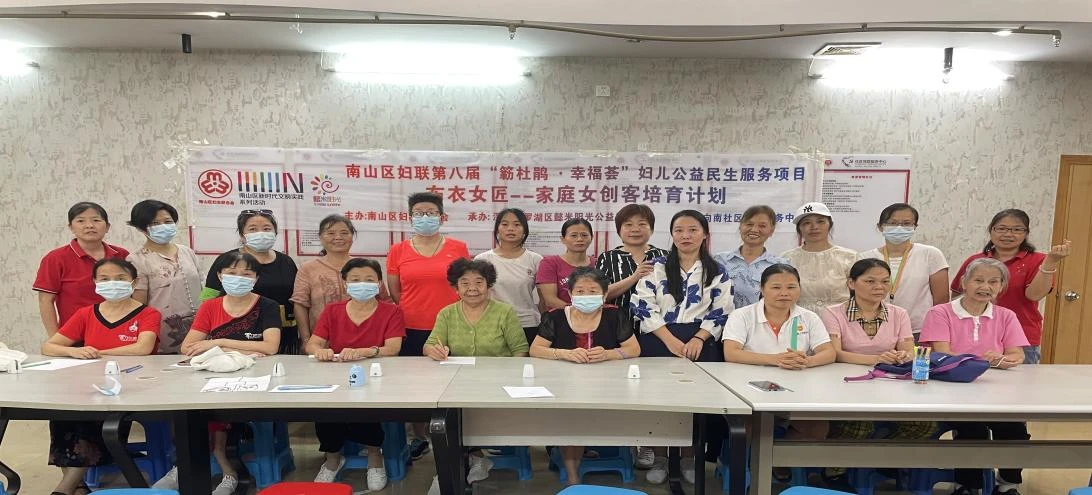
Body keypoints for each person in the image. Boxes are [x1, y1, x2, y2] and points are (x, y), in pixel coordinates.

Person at [158, 251, 282, 495]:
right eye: (232, 273)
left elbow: (270, 347)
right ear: (220, 276)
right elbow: (188, 347)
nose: (239, 278)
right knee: (187, 408)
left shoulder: (267, 306)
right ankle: (185, 465)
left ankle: (226, 468)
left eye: (246, 274)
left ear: (256, 278)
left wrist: (218, 343)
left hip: (256, 378)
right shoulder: (210, 306)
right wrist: (233, 349)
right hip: (213, 376)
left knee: (220, 410)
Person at [40, 258, 159, 495]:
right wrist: (73, 351)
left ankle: (64, 489)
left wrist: (98, 352)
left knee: (93, 421)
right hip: (88, 385)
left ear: (133, 282)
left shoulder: (148, 313)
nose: (112, 283)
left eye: (120, 278)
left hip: (130, 387)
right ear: (95, 282)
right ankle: (77, 486)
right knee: (62, 416)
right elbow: (49, 346)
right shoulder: (86, 314)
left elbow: (142, 348)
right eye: (104, 279)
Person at [632, 210, 733, 485]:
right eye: (679, 230)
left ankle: (690, 458)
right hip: (659, 339)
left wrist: (699, 338)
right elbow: (642, 305)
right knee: (658, 401)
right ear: (672, 234)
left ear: (704, 234)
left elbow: (723, 310)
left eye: (692, 230)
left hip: (700, 343)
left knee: (694, 404)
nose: (685, 236)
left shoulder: (717, 271)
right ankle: (661, 458)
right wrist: (670, 340)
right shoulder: (656, 267)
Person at [820, 258, 933, 487]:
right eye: (870, 281)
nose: (879, 287)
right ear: (851, 283)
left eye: (884, 281)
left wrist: (901, 356)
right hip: (847, 385)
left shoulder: (899, 313)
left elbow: (907, 349)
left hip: (891, 385)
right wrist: (877, 359)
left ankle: (882, 460)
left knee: (925, 425)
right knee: (860, 425)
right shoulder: (833, 313)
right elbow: (835, 353)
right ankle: (834, 472)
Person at [921, 258, 1029, 495]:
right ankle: (968, 485)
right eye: (978, 280)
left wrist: (1003, 359)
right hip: (953, 391)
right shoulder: (940, 313)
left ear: (1001, 286)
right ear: (964, 282)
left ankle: (1008, 483)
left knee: (1015, 430)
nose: (985, 287)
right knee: (973, 430)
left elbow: (1017, 355)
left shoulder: (1006, 315)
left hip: (996, 393)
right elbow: (942, 353)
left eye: (993, 282)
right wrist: (983, 361)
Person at [722, 263, 835, 480]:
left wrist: (807, 361)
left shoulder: (809, 317)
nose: (784, 293)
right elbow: (731, 352)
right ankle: (748, 466)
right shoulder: (742, 315)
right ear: (762, 289)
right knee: (747, 426)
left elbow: (828, 352)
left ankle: (779, 460)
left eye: (791, 287)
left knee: (818, 427)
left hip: (799, 390)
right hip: (749, 389)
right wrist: (775, 360)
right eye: (776, 287)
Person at [529, 266, 640, 484]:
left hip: (608, 387)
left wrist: (608, 354)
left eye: (593, 291)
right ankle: (573, 475)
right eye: (580, 291)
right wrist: (564, 353)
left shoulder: (614, 315)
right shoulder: (556, 317)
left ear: (604, 294)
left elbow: (634, 349)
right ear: (570, 294)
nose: (586, 296)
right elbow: (536, 349)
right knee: (571, 419)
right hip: (565, 388)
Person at [424, 258, 529, 487]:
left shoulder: (504, 312)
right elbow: (429, 345)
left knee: (471, 417)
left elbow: (520, 350)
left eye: (479, 282)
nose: (472, 288)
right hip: (457, 381)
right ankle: (456, 466)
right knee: (443, 418)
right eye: (465, 283)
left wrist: (511, 379)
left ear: (489, 285)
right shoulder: (447, 313)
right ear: (456, 287)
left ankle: (472, 456)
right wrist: (434, 350)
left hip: (498, 382)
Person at [305, 258, 404, 492]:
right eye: (356, 280)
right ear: (345, 283)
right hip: (336, 373)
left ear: (379, 283)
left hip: (377, 375)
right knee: (324, 407)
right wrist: (320, 351)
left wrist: (365, 351)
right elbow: (312, 344)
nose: (363, 284)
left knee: (366, 405)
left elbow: (393, 348)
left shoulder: (391, 311)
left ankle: (374, 456)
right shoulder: (333, 311)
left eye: (369, 279)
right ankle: (332, 459)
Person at [387, 192, 470, 460]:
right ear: (410, 217)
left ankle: (456, 435)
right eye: (419, 213)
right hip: (411, 326)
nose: (425, 217)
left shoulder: (458, 247)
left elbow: (466, 283)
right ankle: (420, 436)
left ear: (442, 217)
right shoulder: (398, 250)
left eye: (431, 213)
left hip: (452, 324)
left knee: (453, 383)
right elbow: (395, 291)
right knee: (415, 386)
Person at [593, 203, 667, 470]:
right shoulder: (608, 258)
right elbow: (602, 294)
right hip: (616, 331)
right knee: (618, 389)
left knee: (652, 389)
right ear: (619, 230)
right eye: (628, 225)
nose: (635, 229)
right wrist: (635, 277)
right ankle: (621, 442)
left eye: (642, 224)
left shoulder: (664, 256)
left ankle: (649, 444)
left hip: (655, 331)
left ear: (651, 228)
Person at [951, 209, 1071, 364]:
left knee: (1019, 379)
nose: (1008, 234)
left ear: (1026, 233)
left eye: (1017, 230)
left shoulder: (1038, 260)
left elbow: (1034, 295)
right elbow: (957, 297)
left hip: (1021, 337)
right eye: (1001, 228)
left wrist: (1051, 262)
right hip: (974, 337)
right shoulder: (976, 260)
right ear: (991, 230)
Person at [202, 209, 299, 355]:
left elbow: (297, 298)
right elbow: (208, 297)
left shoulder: (286, 262)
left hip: (284, 334)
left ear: (275, 232)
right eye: (252, 229)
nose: (261, 233)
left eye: (267, 229)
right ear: (242, 235)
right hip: (238, 336)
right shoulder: (228, 261)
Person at [292, 214, 390, 348]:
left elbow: (385, 301)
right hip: (322, 345)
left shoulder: (366, 267)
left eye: (344, 233)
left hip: (366, 343)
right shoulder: (308, 268)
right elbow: (300, 304)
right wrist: (306, 340)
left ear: (352, 237)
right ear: (320, 237)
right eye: (331, 233)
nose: (338, 237)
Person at [34, 202, 130, 336]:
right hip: (75, 336)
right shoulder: (55, 258)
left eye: (96, 220)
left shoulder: (122, 255)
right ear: (71, 227)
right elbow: (45, 301)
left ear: (107, 227)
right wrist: (55, 338)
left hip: (120, 332)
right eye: (80, 221)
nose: (89, 225)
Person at [859, 203, 949, 337]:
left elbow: (941, 299)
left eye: (906, 223)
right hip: (876, 330)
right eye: (892, 223)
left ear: (915, 227)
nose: (899, 228)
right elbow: (860, 296)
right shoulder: (865, 257)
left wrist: (936, 330)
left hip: (919, 330)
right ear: (880, 226)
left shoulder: (930, 254)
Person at [126, 199, 202, 354]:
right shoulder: (136, 259)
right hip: (163, 331)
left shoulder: (187, 252)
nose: (163, 226)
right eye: (155, 223)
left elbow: (202, 286)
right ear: (141, 228)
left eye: (168, 221)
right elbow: (138, 305)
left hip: (199, 329)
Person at [475, 208, 544, 345]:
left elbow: (544, 300)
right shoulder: (482, 260)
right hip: (492, 324)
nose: (510, 229)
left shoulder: (535, 259)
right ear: (497, 229)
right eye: (505, 224)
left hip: (527, 324)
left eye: (517, 224)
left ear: (524, 231)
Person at [781, 202, 859, 315]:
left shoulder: (849, 257)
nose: (814, 227)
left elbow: (861, 293)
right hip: (799, 318)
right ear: (799, 228)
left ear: (830, 225)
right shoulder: (787, 258)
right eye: (807, 223)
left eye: (820, 221)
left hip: (840, 318)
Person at [714, 205, 789, 309]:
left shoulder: (781, 266)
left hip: (761, 319)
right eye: (749, 224)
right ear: (740, 227)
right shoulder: (719, 260)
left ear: (771, 231)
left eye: (762, 226)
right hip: (723, 319)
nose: (754, 229)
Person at [537, 218, 595, 310]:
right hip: (561, 316)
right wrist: (577, 312)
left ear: (591, 238)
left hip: (594, 316)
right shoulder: (549, 263)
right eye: (573, 235)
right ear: (563, 239)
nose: (580, 239)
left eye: (584, 235)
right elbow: (550, 300)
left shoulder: (598, 263)